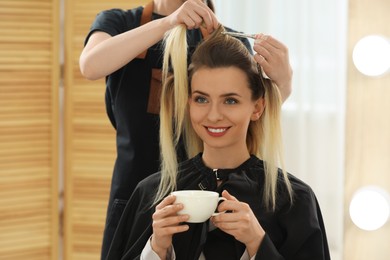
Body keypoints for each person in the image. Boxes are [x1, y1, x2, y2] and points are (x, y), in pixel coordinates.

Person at [79, 0, 293, 258]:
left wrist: (284, 83)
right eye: (201, 99)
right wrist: (168, 23)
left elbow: (252, 119)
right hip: (136, 198)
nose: (213, 113)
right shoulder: (119, 23)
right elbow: (90, 65)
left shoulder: (226, 41)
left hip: (207, 200)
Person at [104, 25, 330, 260]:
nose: (213, 116)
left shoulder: (295, 200)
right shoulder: (150, 194)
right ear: (188, 102)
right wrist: (157, 248)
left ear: (257, 107)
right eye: (201, 99)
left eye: (230, 101)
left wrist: (257, 243)